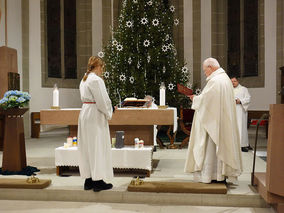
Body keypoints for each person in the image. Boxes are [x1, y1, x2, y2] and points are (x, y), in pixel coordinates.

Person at [184, 58, 242, 184]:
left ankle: (212, 175)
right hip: (220, 121)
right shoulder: (224, 79)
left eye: (205, 70)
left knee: (211, 150)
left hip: (214, 124)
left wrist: (195, 99)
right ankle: (219, 174)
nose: (205, 73)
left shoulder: (216, 81)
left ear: (210, 67)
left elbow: (208, 101)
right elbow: (212, 99)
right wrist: (199, 98)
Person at [78, 56, 113, 192]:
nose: (102, 71)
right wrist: (109, 111)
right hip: (94, 113)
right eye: (101, 68)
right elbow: (102, 100)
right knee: (97, 146)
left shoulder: (84, 79)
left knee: (87, 147)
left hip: (85, 112)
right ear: (98, 66)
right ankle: (98, 181)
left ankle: (88, 180)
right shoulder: (96, 80)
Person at [231, 77, 252, 152]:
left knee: (241, 127)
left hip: (240, 111)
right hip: (232, 111)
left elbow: (248, 99)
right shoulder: (229, 90)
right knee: (232, 127)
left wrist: (240, 101)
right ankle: (233, 145)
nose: (233, 83)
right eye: (232, 81)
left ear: (238, 81)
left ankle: (243, 145)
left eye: (234, 81)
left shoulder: (244, 89)